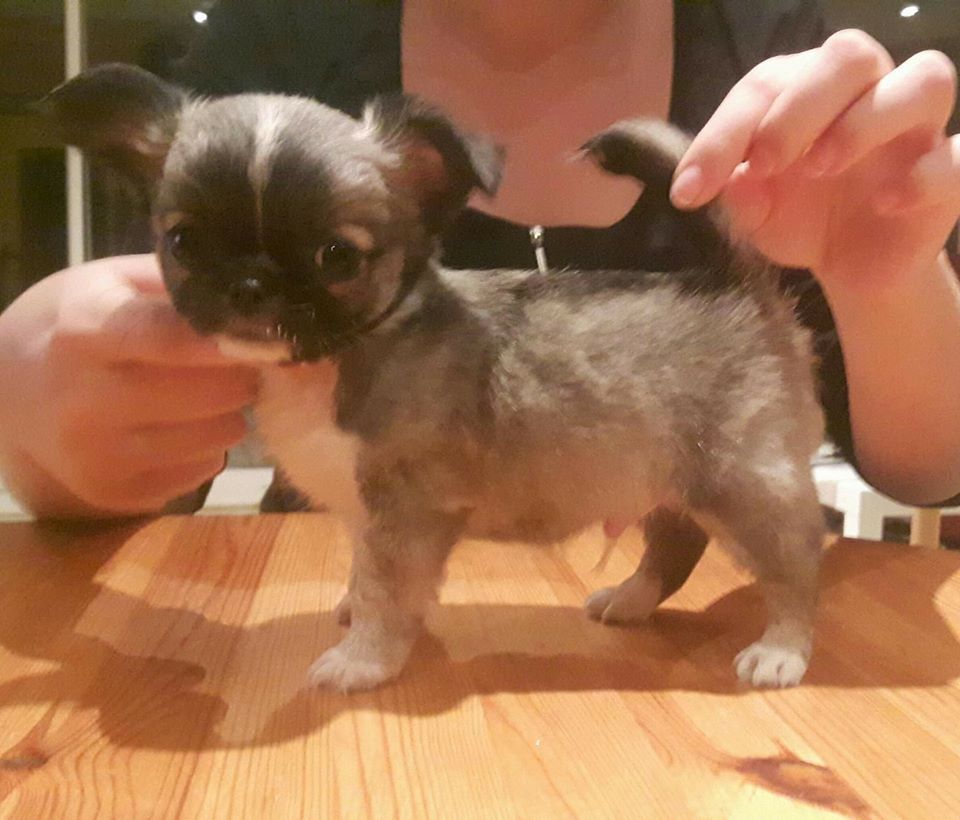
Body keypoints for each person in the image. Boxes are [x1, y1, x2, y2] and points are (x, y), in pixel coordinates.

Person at [1, 0, 959, 520]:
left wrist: (888, 280)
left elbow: (930, 473)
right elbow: (136, 413)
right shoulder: (273, 42)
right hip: (337, 627)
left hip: (699, 639)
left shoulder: (776, 52)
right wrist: (35, 417)